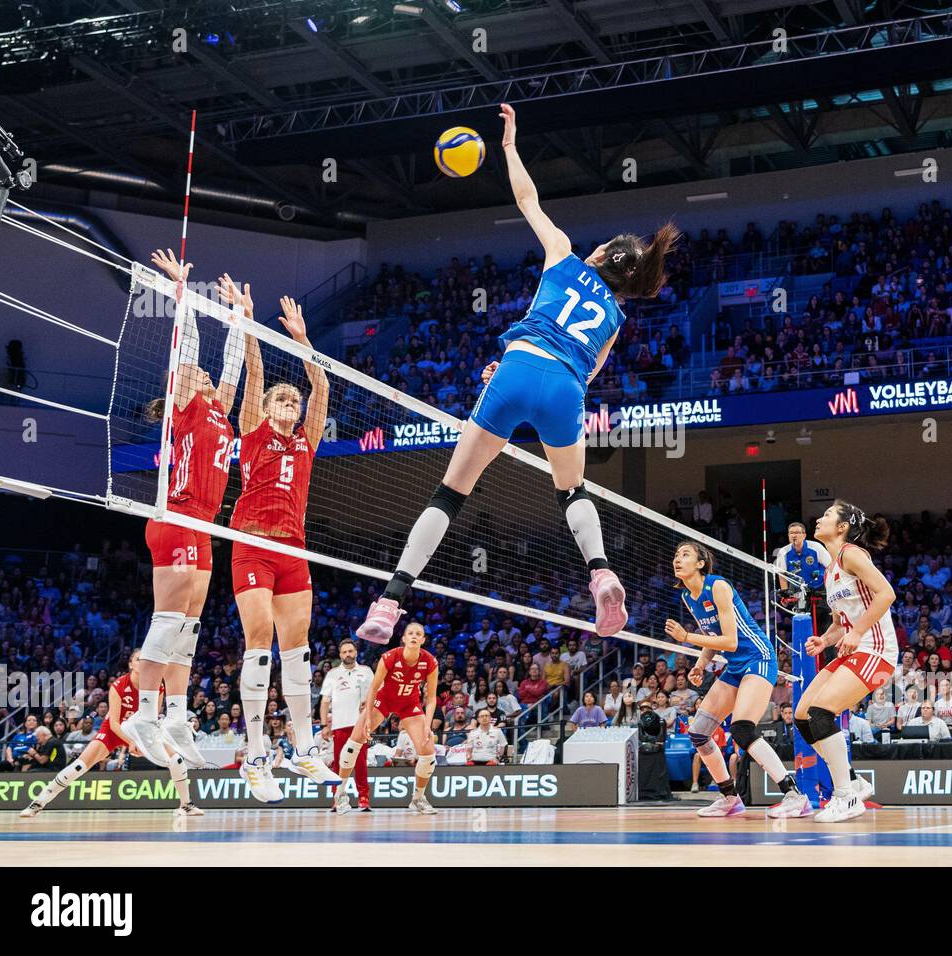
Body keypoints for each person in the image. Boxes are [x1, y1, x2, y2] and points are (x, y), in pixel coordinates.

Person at [357, 103, 679, 647]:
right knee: (572, 488)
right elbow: (584, 372)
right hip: (564, 386)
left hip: (518, 369)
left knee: (450, 494)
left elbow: (526, 198)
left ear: (601, 253)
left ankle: (390, 602)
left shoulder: (564, 254)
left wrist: (509, 147)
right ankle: (600, 571)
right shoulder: (617, 317)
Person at [124, 254, 249, 774]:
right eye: (191, 372)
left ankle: (175, 715)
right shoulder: (185, 407)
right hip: (175, 516)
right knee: (170, 618)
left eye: (200, 374)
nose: (201, 373)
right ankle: (143, 714)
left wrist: (240, 316)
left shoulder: (218, 406)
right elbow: (191, 347)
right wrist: (184, 294)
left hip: (203, 524)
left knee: (190, 625)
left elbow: (233, 366)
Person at [225, 285, 340, 803]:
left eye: (293, 400)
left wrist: (303, 340)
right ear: (269, 408)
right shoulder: (253, 429)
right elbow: (254, 375)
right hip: (250, 543)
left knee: (297, 651)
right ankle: (254, 755)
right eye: (282, 398)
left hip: (294, 549)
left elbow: (322, 389)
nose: (290, 403)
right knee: (258, 646)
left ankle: (302, 748)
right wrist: (247, 322)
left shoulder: (306, 439)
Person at [664, 540, 806, 818]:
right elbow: (713, 635)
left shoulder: (717, 586)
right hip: (735, 665)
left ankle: (794, 795)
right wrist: (701, 663)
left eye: (685, 555)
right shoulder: (687, 596)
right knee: (699, 731)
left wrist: (686, 637)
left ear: (701, 564)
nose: (677, 560)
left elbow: (729, 640)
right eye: (676, 555)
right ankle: (730, 798)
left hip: (759, 657)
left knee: (742, 728)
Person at [795, 501, 896, 822]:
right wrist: (825, 640)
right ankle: (852, 780)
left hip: (876, 650)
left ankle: (845, 796)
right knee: (802, 717)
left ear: (842, 527)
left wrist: (859, 632)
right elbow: (840, 624)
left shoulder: (853, 554)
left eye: (826, 515)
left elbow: (886, 593)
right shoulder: (830, 571)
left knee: (822, 712)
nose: (819, 519)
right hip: (852, 650)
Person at [21, 651, 201, 818]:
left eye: (146, 659)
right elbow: (114, 723)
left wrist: (142, 741)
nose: (143, 662)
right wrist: (130, 742)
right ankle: (38, 802)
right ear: (131, 664)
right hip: (115, 730)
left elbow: (151, 720)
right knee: (80, 765)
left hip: (141, 730)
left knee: (175, 759)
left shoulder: (157, 686)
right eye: (139, 659)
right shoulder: (119, 685)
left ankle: (186, 804)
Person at [335, 621, 439, 814]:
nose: (414, 636)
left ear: (423, 640)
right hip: (383, 700)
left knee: (428, 752)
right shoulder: (390, 657)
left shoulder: (430, 662)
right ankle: (340, 795)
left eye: (418, 633)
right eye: (410, 633)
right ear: (404, 638)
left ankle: (418, 798)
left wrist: (428, 725)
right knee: (354, 743)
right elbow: (374, 687)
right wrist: (367, 717)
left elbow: (431, 698)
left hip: (410, 704)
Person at [320, 638, 375, 811]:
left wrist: (368, 710)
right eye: (344, 652)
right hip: (339, 725)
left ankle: (363, 798)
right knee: (338, 764)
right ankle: (338, 798)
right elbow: (324, 701)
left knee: (360, 763)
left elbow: (374, 696)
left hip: (359, 724)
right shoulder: (333, 674)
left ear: (356, 653)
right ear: (340, 655)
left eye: (350, 651)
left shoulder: (366, 671)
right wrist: (324, 725)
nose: (348, 654)